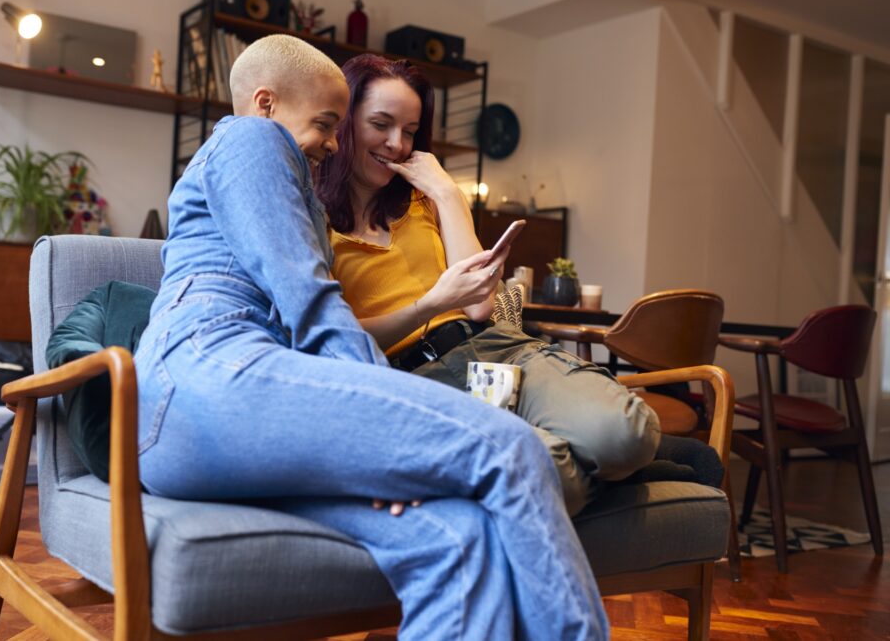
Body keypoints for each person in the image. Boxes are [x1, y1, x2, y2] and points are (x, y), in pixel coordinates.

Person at [134, 35, 608, 640]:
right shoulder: (250, 137)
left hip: (218, 430)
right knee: (513, 449)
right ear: (266, 103)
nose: (334, 143)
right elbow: (308, 299)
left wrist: (374, 447)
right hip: (205, 377)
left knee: (458, 538)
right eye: (325, 123)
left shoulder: (293, 181)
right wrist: (382, 427)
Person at [316, 54, 661, 517]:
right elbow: (334, 339)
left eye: (411, 131)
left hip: (493, 350)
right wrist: (431, 304)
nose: (397, 144)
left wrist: (447, 192)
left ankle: (566, 465)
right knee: (536, 468)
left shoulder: (425, 198)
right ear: (344, 121)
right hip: (413, 381)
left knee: (625, 435)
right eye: (381, 124)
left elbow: (481, 307)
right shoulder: (310, 217)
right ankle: (596, 470)